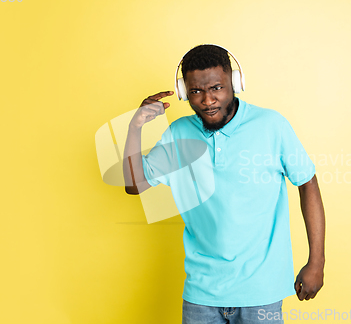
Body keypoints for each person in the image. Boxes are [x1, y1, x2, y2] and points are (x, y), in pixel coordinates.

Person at [123, 44, 325, 324]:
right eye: (195, 91)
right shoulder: (179, 133)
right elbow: (134, 184)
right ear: (184, 92)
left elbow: (307, 183)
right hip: (201, 294)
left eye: (216, 87)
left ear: (235, 82)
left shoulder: (271, 125)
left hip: (260, 292)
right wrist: (135, 128)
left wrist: (317, 262)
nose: (207, 100)